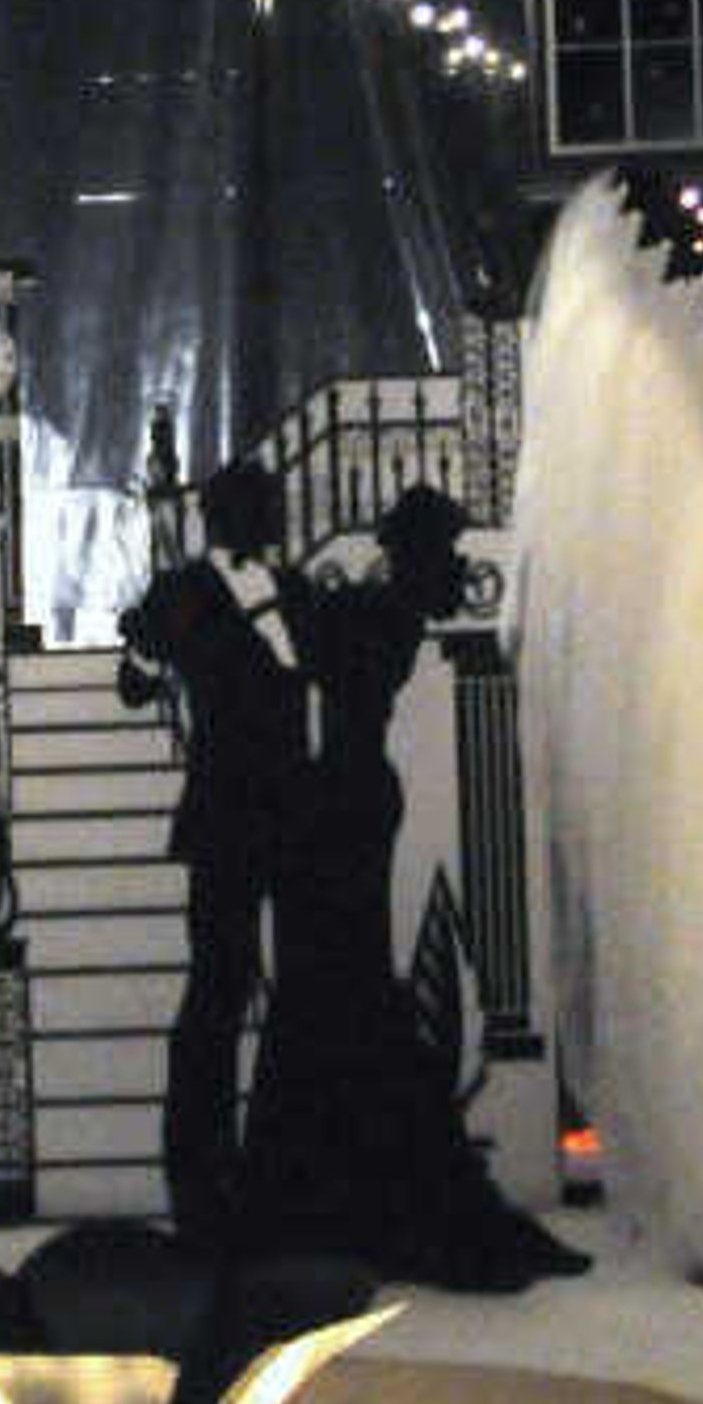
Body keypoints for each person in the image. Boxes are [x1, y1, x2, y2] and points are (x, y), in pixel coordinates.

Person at [241, 481, 582, 1289]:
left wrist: (289, 590)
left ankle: (325, 1188)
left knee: (342, 984)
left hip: (347, 799)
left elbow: (317, 649)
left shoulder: (374, 613)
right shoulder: (382, 611)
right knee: (347, 983)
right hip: (350, 799)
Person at [115, 456, 311, 1245]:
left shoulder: (291, 590)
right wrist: (148, 653)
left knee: (282, 989)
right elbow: (133, 685)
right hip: (230, 812)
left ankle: (273, 1168)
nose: (273, 519)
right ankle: (200, 1176)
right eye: (266, 507)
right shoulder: (188, 590)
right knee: (219, 992)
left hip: (295, 811)